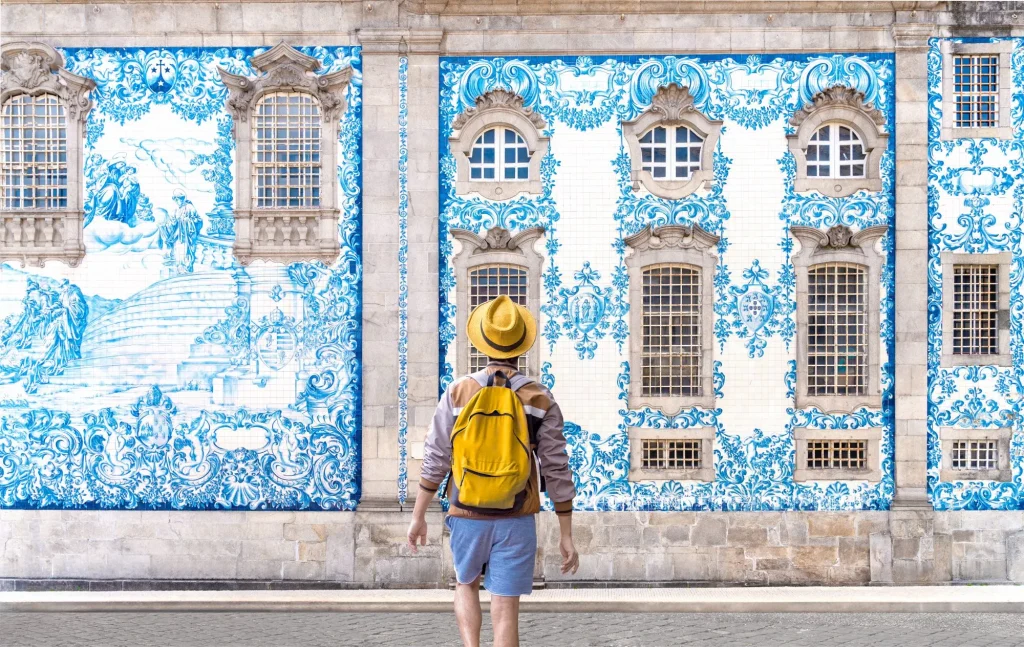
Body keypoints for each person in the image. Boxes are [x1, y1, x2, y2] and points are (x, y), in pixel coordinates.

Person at [407, 295, 578, 647]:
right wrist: (566, 532)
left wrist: (418, 515)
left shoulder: (458, 391)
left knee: (465, 584)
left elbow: (436, 456)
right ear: (521, 346)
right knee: (505, 608)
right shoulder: (539, 397)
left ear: (482, 341)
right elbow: (556, 467)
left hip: (467, 511)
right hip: (516, 516)